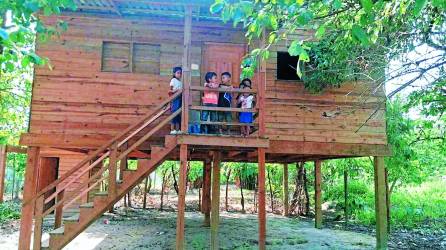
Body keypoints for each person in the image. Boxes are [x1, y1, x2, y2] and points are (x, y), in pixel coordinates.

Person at [169, 66, 182, 134]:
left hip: (179, 98)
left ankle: (178, 130)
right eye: (178, 73)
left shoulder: (181, 82)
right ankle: (172, 129)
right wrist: (176, 90)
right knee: (174, 113)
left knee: (178, 114)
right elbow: (170, 90)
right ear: (174, 73)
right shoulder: (173, 80)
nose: (179, 74)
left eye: (180, 73)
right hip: (175, 98)